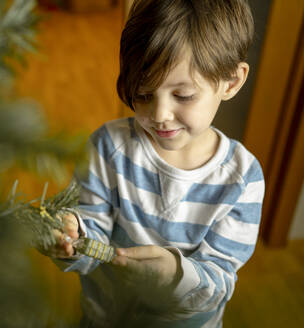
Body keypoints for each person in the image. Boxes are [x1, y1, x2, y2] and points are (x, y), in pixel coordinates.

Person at [45, 0, 265, 327]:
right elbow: (91, 231)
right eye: (145, 94)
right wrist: (71, 236)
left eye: (183, 95)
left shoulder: (242, 180)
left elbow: (218, 281)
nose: (159, 115)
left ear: (231, 81)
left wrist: (175, 276)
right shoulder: (109, 147)